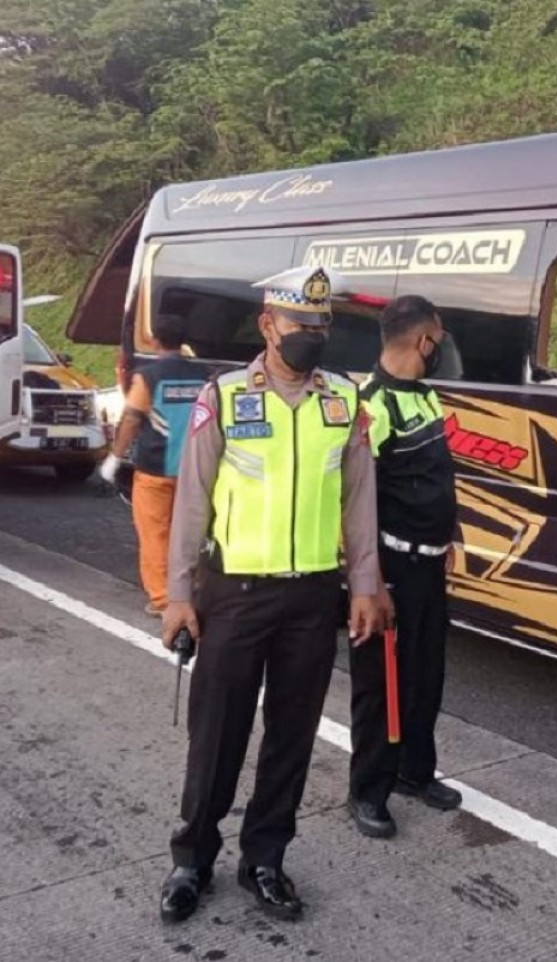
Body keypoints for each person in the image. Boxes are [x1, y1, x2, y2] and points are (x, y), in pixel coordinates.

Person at [158, 266, 381, 922]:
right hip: (234, 594)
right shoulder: (224, 396)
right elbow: (191, 504)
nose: (311, 336)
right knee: (217, 735)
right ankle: (192, 859)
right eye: (299, 325)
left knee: (292, 736)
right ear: (267, 325)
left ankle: (265, 858)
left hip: (313, 598)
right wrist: (179, 595)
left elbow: (359, 501)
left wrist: (365, 584)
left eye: (321, 326)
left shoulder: (344, 401)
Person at [347, 294, 462, 839]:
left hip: (430, 565)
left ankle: (416, 771)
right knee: (379, 684)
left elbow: (436, 478)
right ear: (424, 341)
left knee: (425, 675)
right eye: (440, 339)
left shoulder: (427, 398)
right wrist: (369, 582)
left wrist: (451, 536)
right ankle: (369, 788)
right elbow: (357, 501)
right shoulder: (372, 406)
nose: (441, 349)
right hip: (391, 567)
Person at [99, 314, 208, 615]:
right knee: (188, 533)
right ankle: (192, 590)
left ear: (155, 340)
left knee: (154, 534)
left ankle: (163, 599)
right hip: (194, 470)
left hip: (155, 469)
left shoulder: (148, 376)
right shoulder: (204, 376)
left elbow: (133, 417)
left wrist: (114, 457)